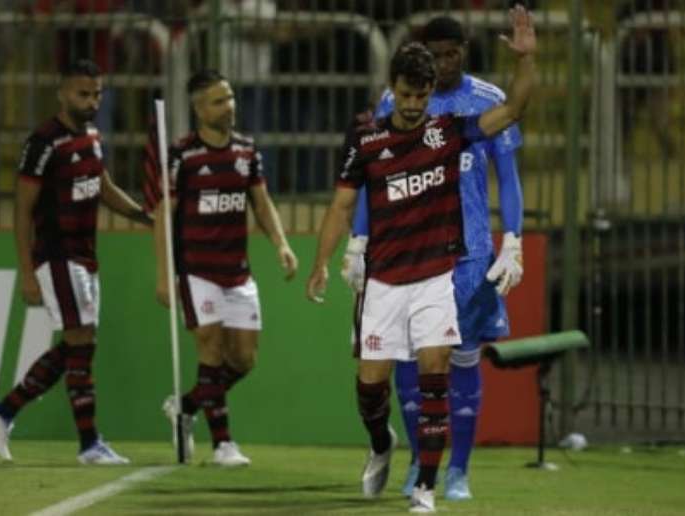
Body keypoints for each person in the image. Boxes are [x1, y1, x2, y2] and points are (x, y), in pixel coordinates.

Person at [306, 5, 536, 513]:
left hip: (457, 259)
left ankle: (441, 477)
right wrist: (348, 249)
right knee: (378, 383)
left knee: (447, 364)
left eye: (421, 93)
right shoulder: (371, 132)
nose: (412, 102)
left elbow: (513, 122)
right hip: (390, 272)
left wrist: (512, 240)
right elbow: (350, 198)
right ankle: (392, 447)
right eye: (405, 94)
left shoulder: (456, 126)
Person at [0, 59, 151, 464]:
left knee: (78, 346)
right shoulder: (43, 142)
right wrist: (27, 272)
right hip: (57, 256)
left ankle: (3, 411)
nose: (91, 102)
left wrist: (145, 216)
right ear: (61, 93)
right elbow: (22, 210)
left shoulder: (92, 135)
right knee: (80, 342)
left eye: (97, 94)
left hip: (87, 257)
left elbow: (104, 187)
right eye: (82, 93)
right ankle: (89, 444)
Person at [149, 69, 298, 466]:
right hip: (198, 271)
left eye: (230, 97)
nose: (229, 106)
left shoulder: (247, 151)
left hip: (238, 273)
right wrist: (165, 275)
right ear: (199, 109)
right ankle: (223, 444)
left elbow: (261, 204)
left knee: (244, 360)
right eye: (219, 100)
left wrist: (281, 244)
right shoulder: (183, 155)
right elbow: (164, 215)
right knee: (210, 347)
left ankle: (186, 405)